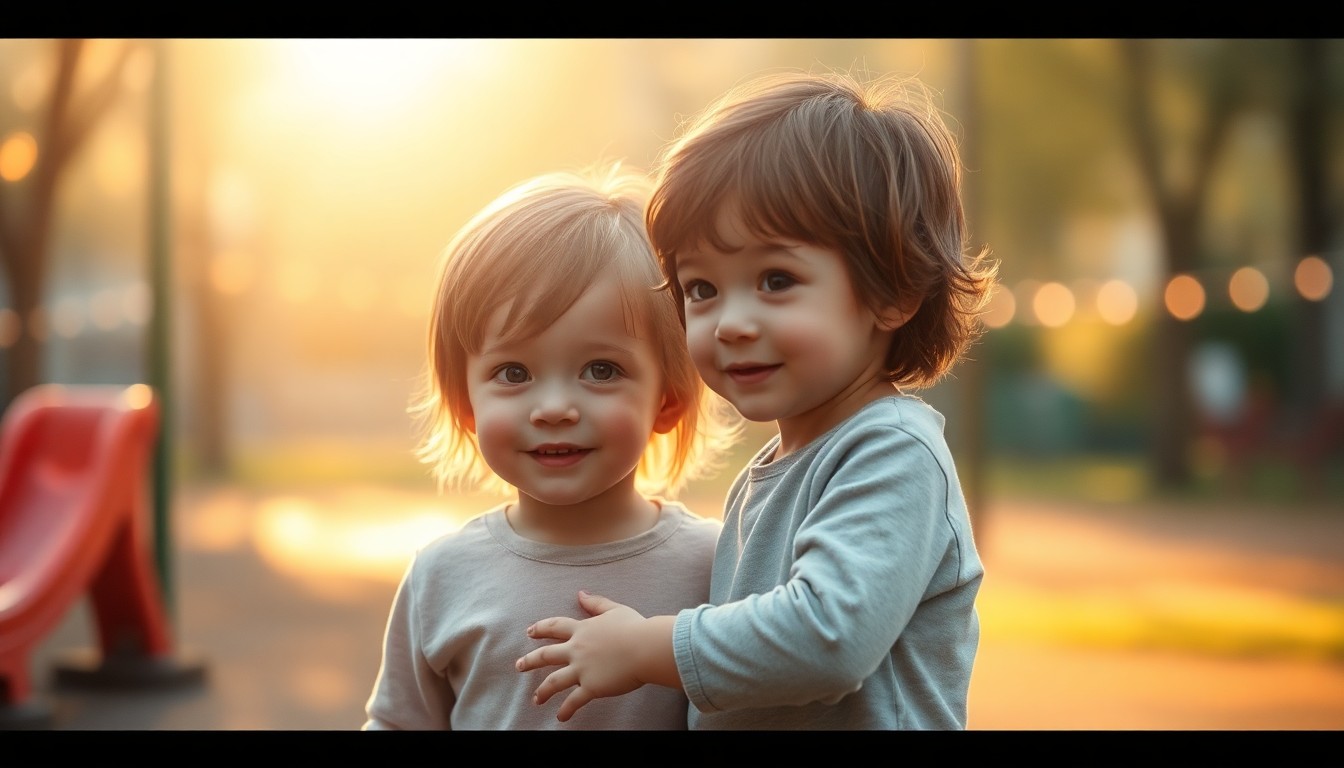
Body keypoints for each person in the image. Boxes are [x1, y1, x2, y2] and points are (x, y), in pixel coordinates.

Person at [515, 70, 997, 730]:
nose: (730, 321)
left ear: (892, 293)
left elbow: (829, 637)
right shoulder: (772, 471)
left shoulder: (891, 452)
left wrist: (651, 647)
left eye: (775, 279)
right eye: (702, 288)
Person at [362, 164, 741, 730]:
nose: (554, 407)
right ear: (467, 403)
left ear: (668, 399)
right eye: (514, 372)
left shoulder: (718, 565)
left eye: (600, 369)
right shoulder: (442, 575)